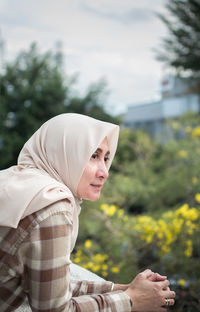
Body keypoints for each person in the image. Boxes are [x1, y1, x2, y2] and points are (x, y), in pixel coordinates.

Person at [0, 113, 175, 312]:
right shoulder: (51, 206)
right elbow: (55, 309)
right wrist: (131, 301)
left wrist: (123, 289)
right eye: (93, 155)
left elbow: (49, 282)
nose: (104, 171)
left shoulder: (20, 183)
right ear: (64, 152)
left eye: (106, 158)